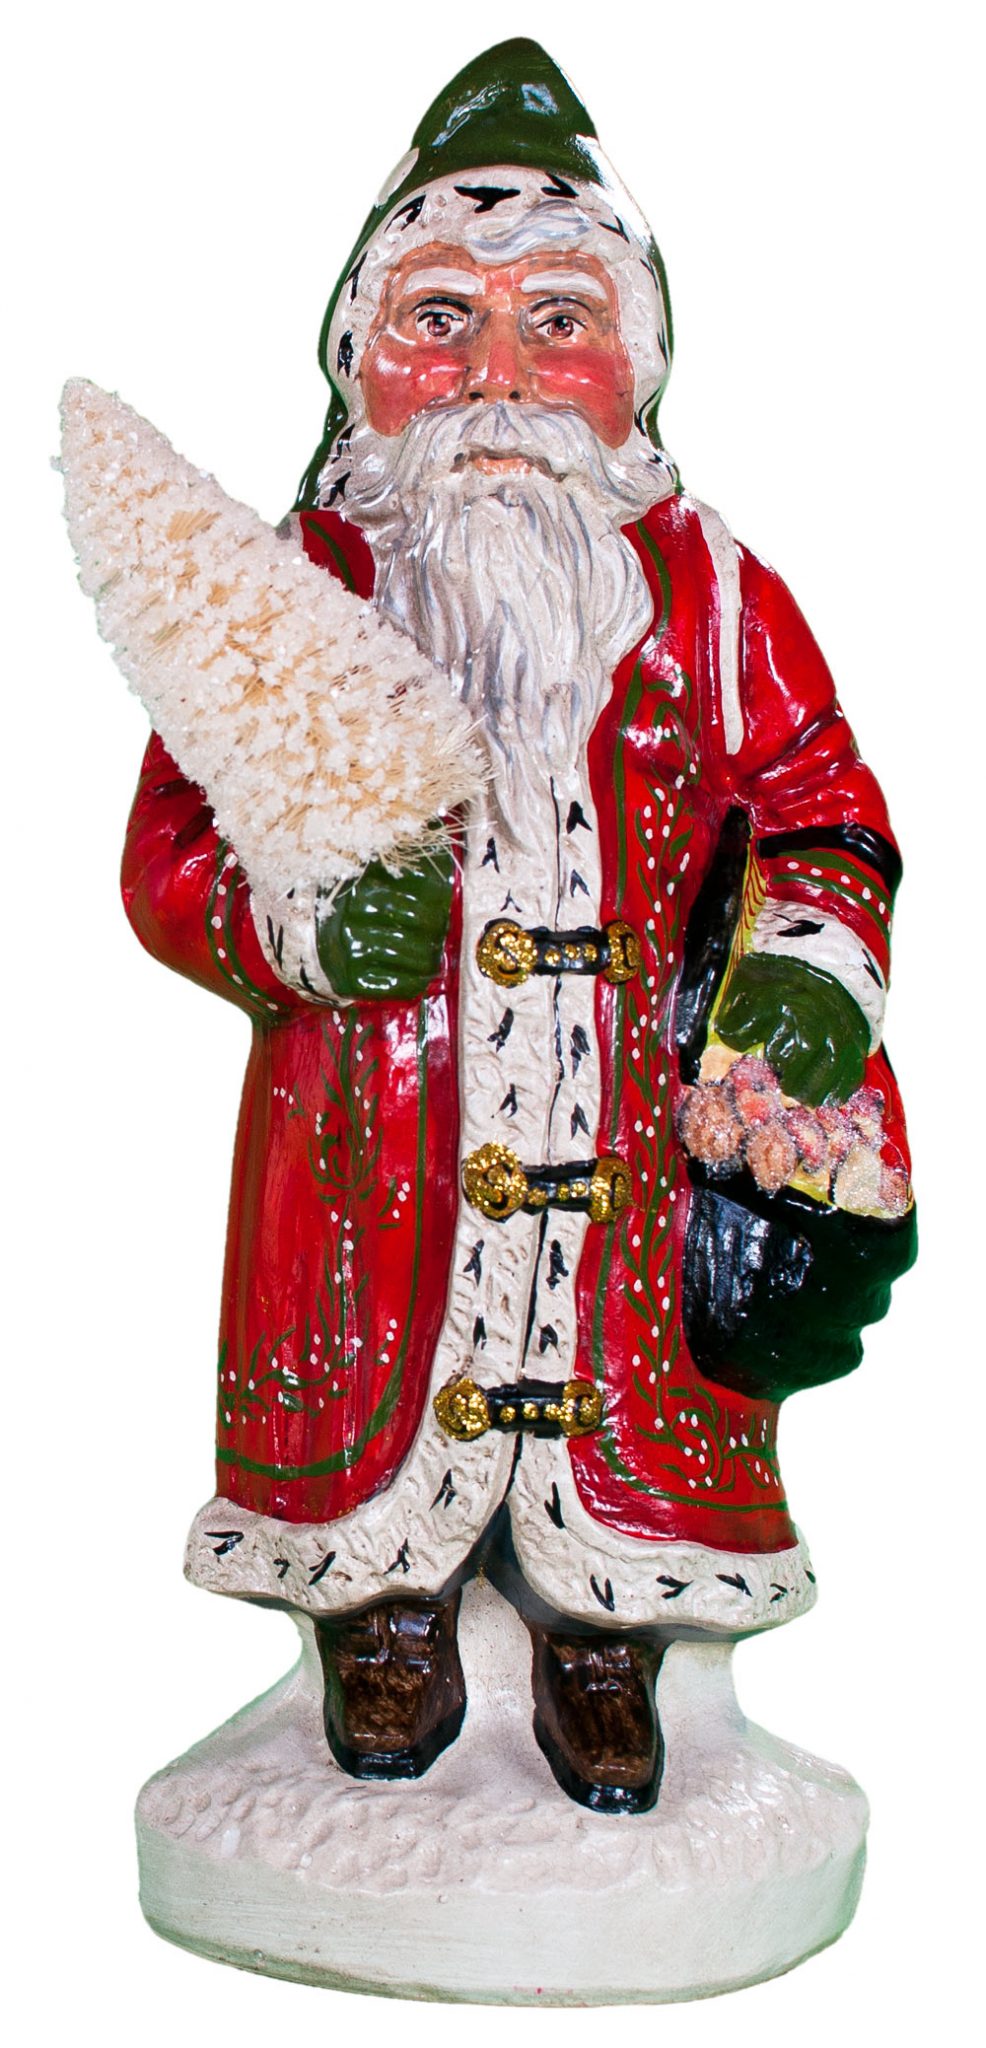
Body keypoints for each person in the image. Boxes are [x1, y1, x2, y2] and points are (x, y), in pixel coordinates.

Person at [118, 40, 915, 1812]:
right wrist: (301, 925)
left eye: (556, 321)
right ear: (357, 356)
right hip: (363, 1134)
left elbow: (823, 803)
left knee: (625, 1402)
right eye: (439, 320)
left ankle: (599, 1633)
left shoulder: (711, 592)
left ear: (636, 361)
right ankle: (379, 1612)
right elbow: (171, 848)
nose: (496, 374)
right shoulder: (297, 586)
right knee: (368, 1381)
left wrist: (808, 969)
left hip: (629, 1129)